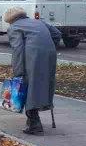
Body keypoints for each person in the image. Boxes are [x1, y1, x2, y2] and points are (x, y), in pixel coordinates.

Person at [5, 7, 61, 135]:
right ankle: (34, 120)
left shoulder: (14, 28)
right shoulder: (39, 22)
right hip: (49, 56)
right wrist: (49, 47)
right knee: (43, 84)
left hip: (32, 57)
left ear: (11, 20)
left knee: (27, 87)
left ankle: (34, 122)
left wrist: (18, 72)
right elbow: (57, 34)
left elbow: (18, 51)